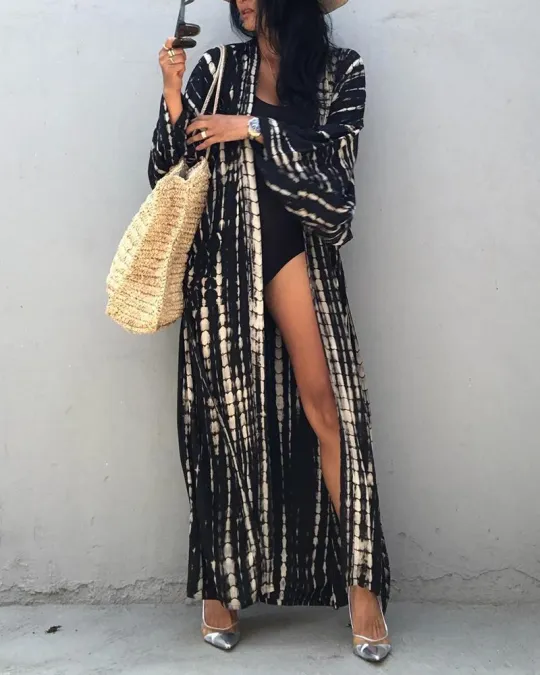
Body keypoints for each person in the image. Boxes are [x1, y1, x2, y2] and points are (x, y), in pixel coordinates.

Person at [148, 0, 391, 663]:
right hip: (222, 255)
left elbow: (334, 170)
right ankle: (220, 586)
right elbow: (168, 168)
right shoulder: (217, 66)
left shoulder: (340, 70)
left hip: (295, 251)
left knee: (329, 409)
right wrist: (173, 91)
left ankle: (363, 587)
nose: (242, 1)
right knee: (225, 424)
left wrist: (251, 126)